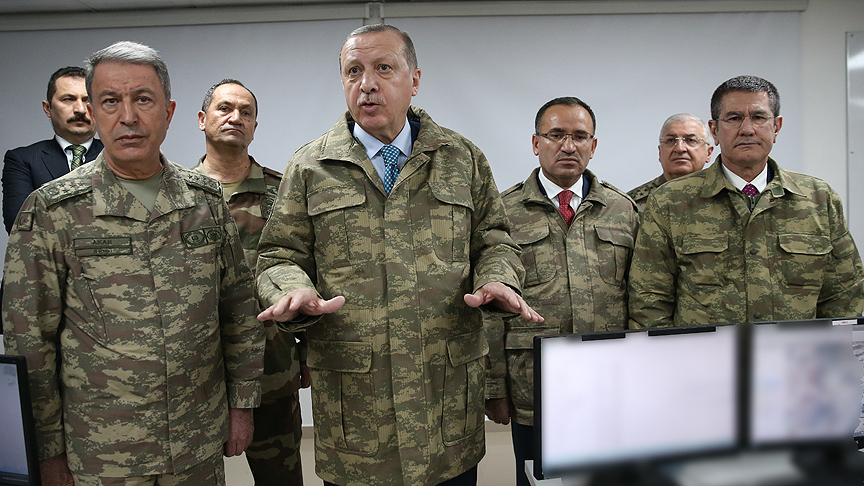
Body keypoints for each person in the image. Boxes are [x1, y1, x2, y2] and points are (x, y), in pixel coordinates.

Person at [255, 24, 542, 486]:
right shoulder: (311, 166)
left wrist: (497, 278)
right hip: (357, 418)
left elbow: (495, 241)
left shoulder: (461, 158)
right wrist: (293, 288)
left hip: (445, 411)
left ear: (415, 80)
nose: (366, 84)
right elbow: (278, 255)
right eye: (353, 71)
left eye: (383, 68)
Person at [2, 41, 264, 485]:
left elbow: (238, 310)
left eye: (143, 99)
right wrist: (45, 451)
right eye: (110, 101)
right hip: (102, 452)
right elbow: (28, 341)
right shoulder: (52, 210)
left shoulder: (205, 201)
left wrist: (241, 406)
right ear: (94, 111)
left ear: (169, 111)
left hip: (195, 441)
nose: (128, 116)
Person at [484, 97, 638, 486]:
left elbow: (640, 298)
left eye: (579, 136)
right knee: (539, 480)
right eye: (556, 135)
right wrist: (494, 386)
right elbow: (490, 310)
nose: (568, 146)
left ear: (593, 145)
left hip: (610, 383)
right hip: (535, 386)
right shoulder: (504, 211)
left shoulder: (622, 210)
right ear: (536, 143)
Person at [629, 75, 864, 328]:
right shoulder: (671, 201)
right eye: (734, 118)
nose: (747, 129)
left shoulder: (818, 199)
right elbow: (649, 300)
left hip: (795, 352)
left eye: (759, 117)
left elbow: (844, 296)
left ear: (776, 127)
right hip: (704, 353)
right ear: (714, 130)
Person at [193, 78, 307, 485]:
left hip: (270, 369)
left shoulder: (283, 193)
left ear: (255, 126)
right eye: (224, 108)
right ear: (202, 119)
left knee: (280, 479)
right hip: (192, 374)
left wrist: (308, 353)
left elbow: (308, 274)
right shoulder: (177, 198)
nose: (235, 117)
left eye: (246, 112)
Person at [2, 66, 103, 234]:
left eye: (88, 100)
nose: (80, 109)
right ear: (47, 108)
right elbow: (19, 225)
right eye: (68, 99)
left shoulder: (121, 157)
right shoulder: (23, 160)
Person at [627, 113, 713, 212]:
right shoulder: (631, 206)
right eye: (670, 140)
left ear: (708, 153)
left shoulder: (724, 198)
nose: (680, 148)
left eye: (690, 140)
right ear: (660, 152)